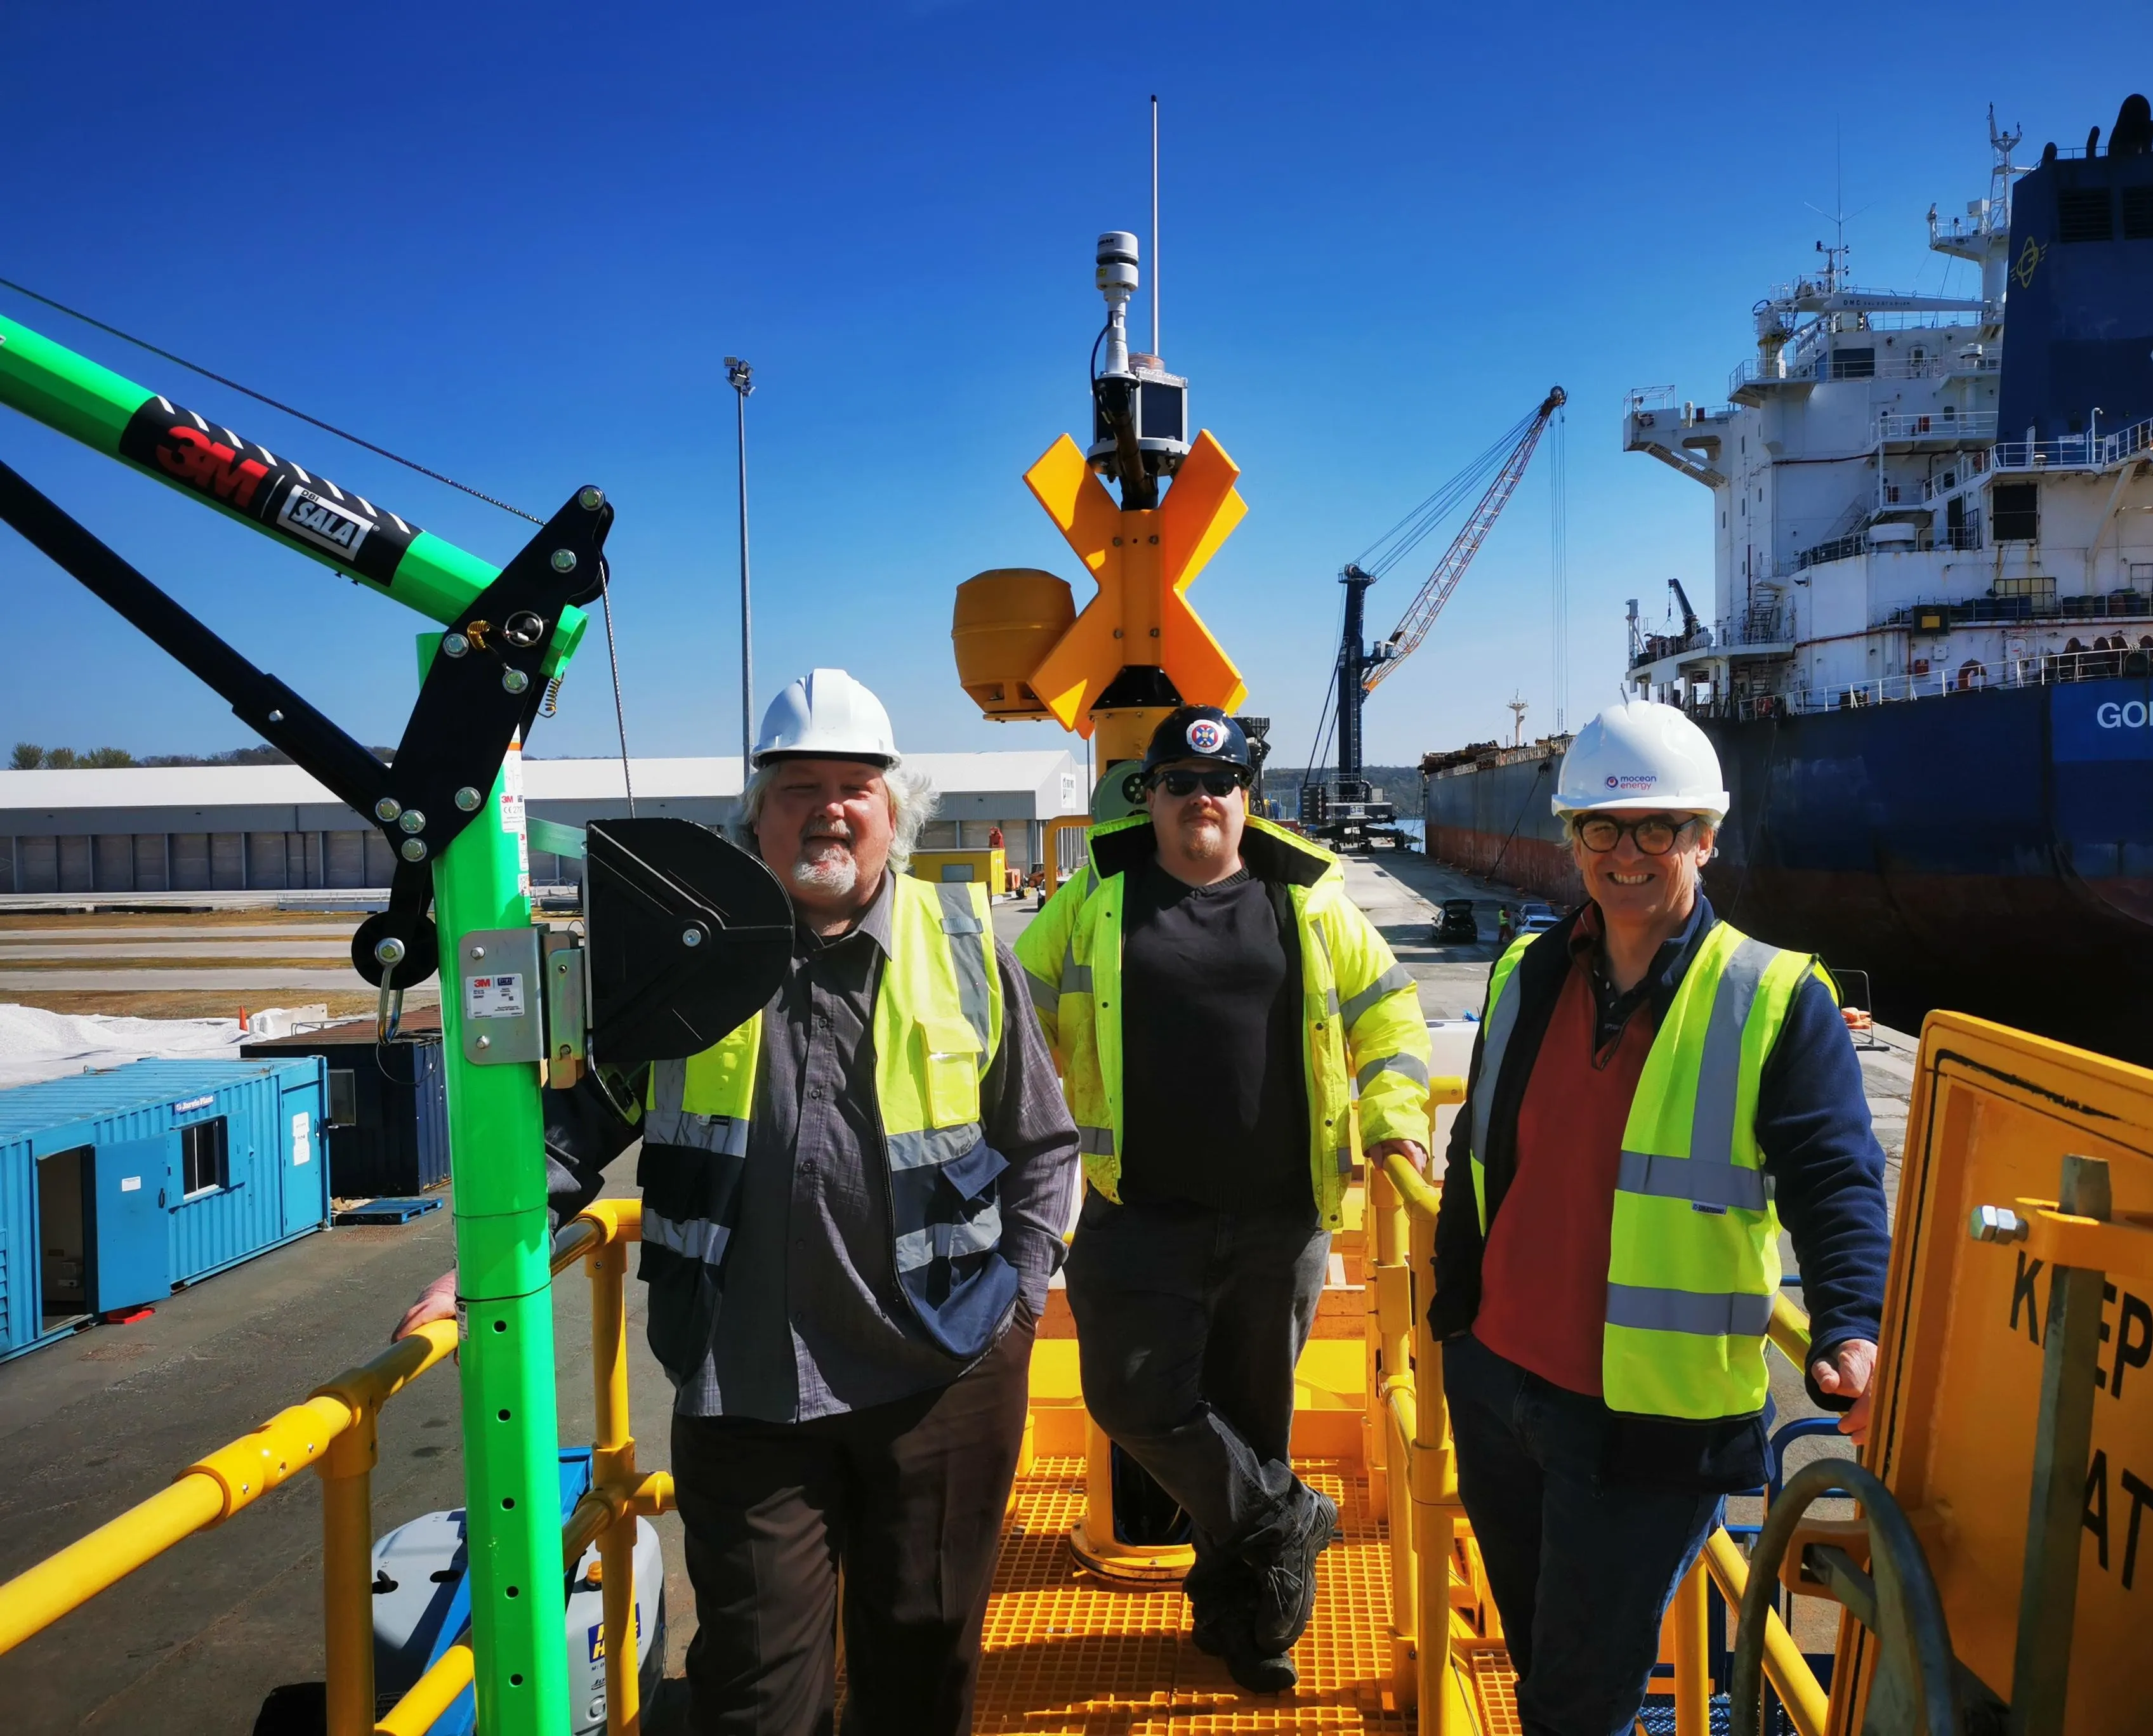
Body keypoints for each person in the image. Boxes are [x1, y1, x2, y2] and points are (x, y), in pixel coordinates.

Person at [395, 667, 1077, 1736]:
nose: (830, 809)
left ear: (896, 812)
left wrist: (1023, 1299)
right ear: (754, 815)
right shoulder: (682, 959)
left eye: (856, 786)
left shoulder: (966, 947)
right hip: (748, 1387)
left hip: (944, 1378)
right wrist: (488, 1257)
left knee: (924, 1668)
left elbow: (1043, 1143)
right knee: (756, 1695)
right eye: (799, 785)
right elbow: (582, 1128)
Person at [1429, 699, 1887, 1736]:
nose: (1627, 853)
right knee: (1544, 1656)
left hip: (1648, 1421)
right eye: (1603, 827)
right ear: (1572, 838)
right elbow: (1480, 1153)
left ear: (1705, 839)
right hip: (1500, 1384)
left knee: (1574, 1702)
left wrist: (1850, 1324)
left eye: (1659, 828)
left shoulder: (1773, 997)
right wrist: (1455, 1318)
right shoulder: (1525, 972)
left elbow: (1836, 1176)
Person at [1017, 706, 1432, 1693]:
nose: (1200, 800)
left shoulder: (1313, 898)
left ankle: (1246, 1631)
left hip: (1279, 1216)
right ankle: (1286, 1517)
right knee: (1129, 1396)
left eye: (1220, 784)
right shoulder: (1097, 898)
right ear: (1148, 795)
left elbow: (1391, 1014)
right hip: (1136, 1209)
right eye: (1178, 784)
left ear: (1248, 797)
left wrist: (1396, 1115)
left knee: (1251, 1423)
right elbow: (1016, 1019)